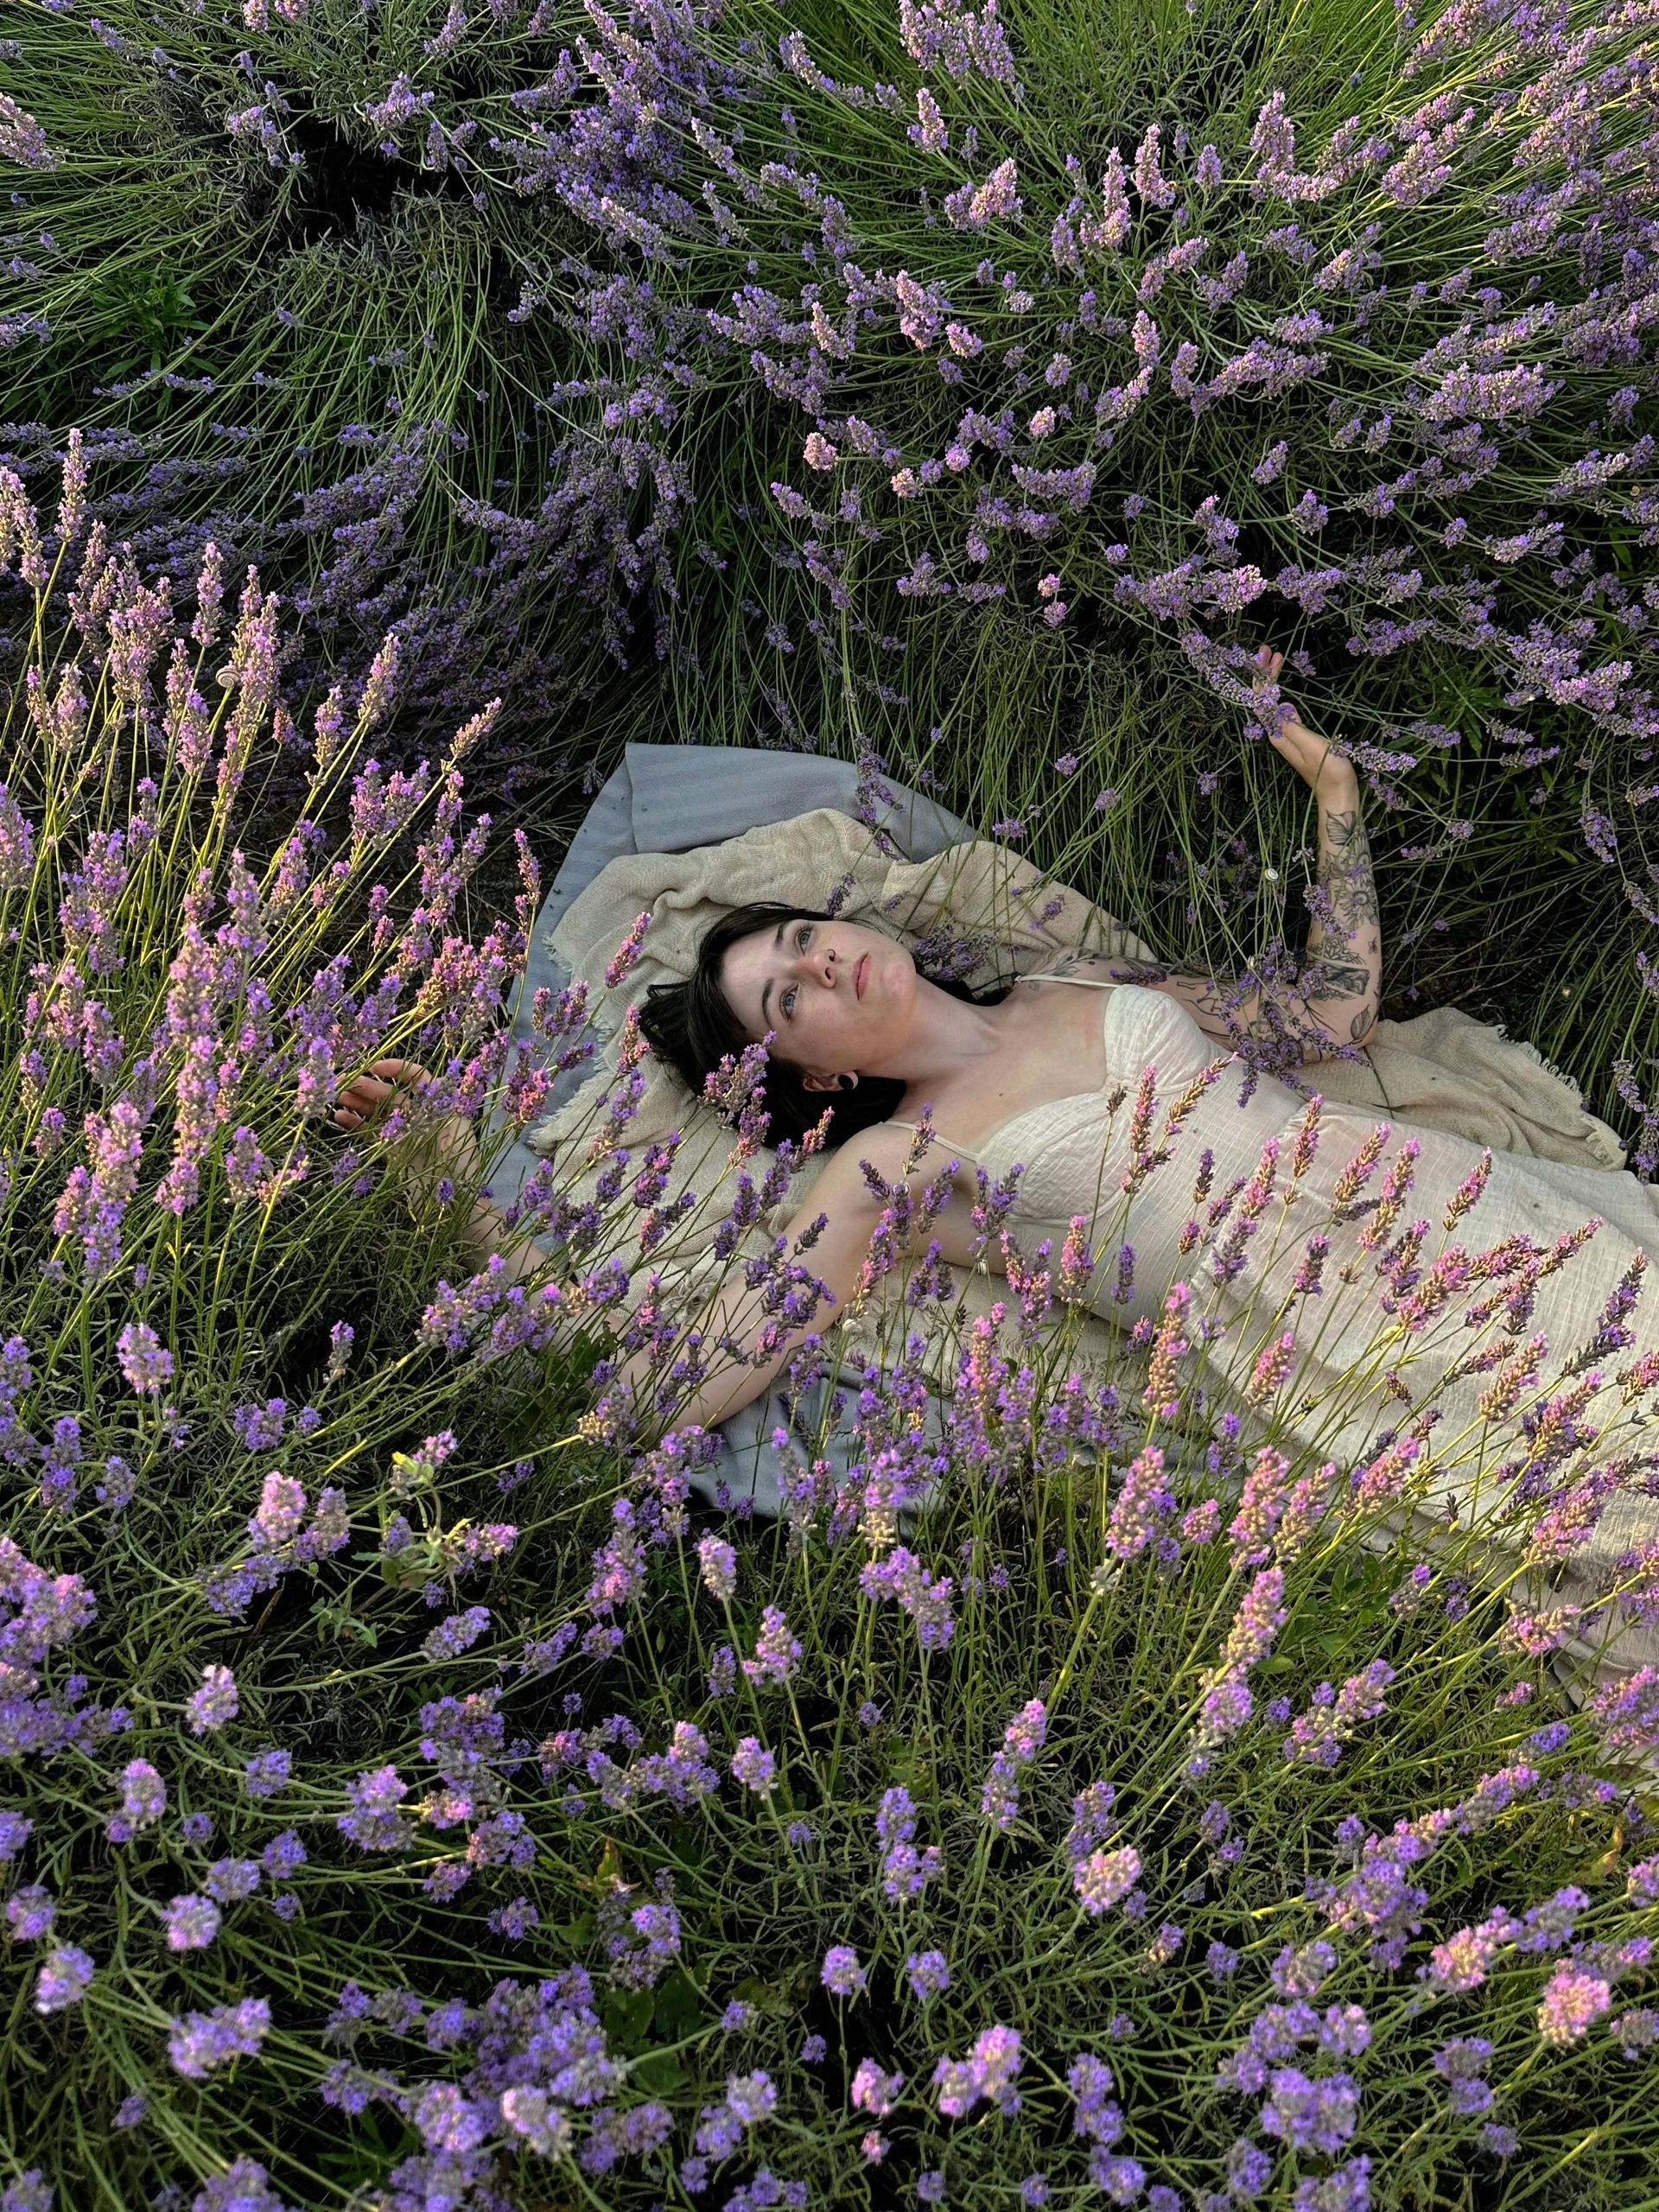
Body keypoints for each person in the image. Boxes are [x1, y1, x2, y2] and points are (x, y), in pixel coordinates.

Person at [336, 652, 1659, 1684]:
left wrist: (1337, 804)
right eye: (786, 999)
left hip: (1446, 1203)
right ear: (817, 1078)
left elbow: (1329, 1022)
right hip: (1335, 1332)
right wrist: (458, 1189)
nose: (820, 962)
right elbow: (666, 1386)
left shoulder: (1064, 977)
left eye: (803, 934)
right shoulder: (893, 1168)